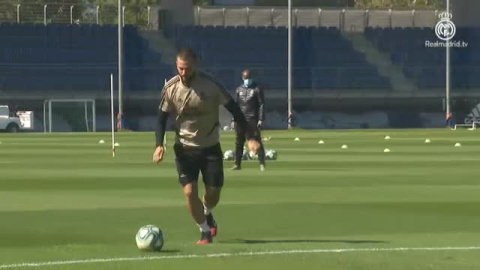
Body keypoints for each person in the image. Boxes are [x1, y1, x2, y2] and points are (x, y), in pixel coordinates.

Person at [152, 48, 260, 245]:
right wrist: (159, 145)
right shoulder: (171, 87)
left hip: (210, 147)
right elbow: (161, 119)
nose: (183, 73)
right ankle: (204, 231)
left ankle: (206, 213)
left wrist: (251, 137)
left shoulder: (211, 85)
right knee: (189, 191)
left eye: (187, 69)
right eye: (180, 69)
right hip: (184, 149)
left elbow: (236, 111)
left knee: (213, 194)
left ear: (195, 67)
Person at [231, 69, 266, 171]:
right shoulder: (239, 90)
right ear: (243, 78)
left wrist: (260, 119)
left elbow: (261, 105)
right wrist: (234, 119)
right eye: (246, 78)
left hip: (252, 119)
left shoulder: (257, 89)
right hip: (240, 119)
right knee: (239, 142)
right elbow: (235, 106)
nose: (247, 80)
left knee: (256, 141)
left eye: (249, 78)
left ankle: (262, 163)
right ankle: (237, 164)